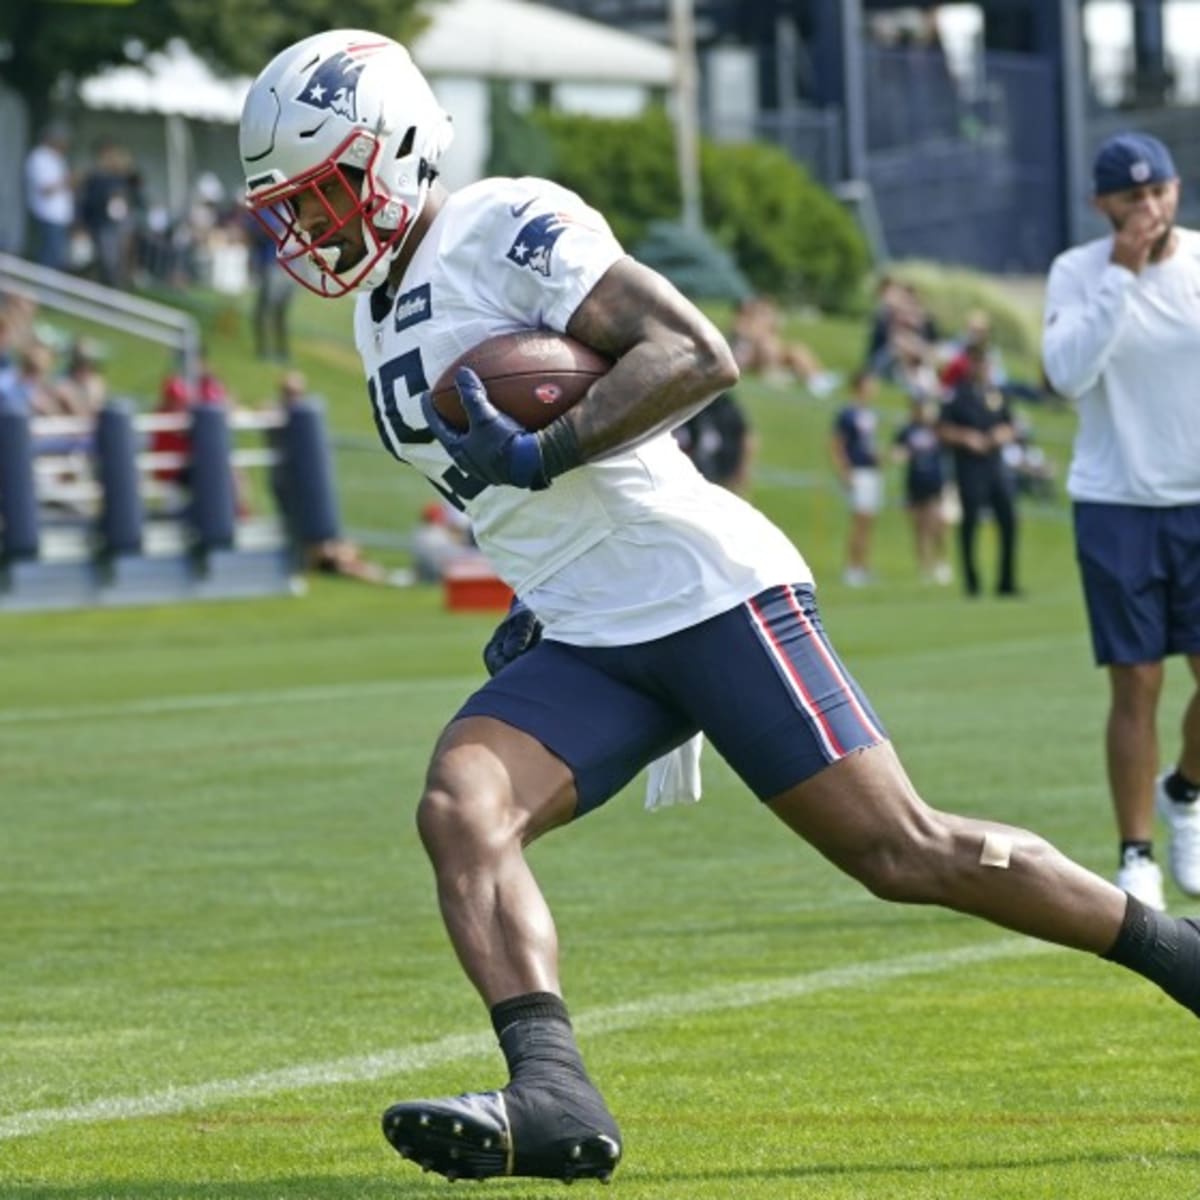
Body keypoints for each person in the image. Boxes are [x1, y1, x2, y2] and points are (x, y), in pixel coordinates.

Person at [240, 31, 1200, 1187]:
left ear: (394, 148)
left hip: (702, 588)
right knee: (461, 805)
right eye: (296, 206)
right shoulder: (372, 313)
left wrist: (543, 449)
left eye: (330, 191)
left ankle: (1181, 958)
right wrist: (543, 590)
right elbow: (513, 503)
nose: (316, 228)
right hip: (586, 628)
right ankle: (551, 1093)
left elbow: (692, 353)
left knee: (904, 852)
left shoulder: (500, 222)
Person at [1042, 130, 1200, 912]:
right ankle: (1135, 852)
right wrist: (1122, 277)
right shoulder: (1079, 273)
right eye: (1132, 197)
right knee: (1136, 682)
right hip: (1117, 502)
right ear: (1103, 204)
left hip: (1198, 497)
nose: (1150, 207)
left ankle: (1188, 790)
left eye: (1160, 191)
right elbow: (1068, 374)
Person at [937, 342, 1020, 598]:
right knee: (970, 522)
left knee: (1008, 519)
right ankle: (972, 583)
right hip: (969, 466)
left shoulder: (997, 395)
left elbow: (1011, 425)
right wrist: (966, 437)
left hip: (996, 465)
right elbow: (942, 428)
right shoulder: (957, 395)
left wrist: (1000, 435)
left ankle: (1006, 582)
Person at [830, 371, 883, 586]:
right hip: (857, 471)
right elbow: (836, 444)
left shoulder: (869, 413)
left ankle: (863, 566)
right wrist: (844, 470)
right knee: (859, 521)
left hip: (872, 471)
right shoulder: (847, 413)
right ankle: (852, 568)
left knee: (868, 521)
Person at [892, 394, 951, 585]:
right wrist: (900, 455)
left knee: (938, 524)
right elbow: (898, 451)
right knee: (920, 527)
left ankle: (941, 562)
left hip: (934, 482)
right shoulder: (907, 430)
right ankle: (925, 567)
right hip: (915, 483)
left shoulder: (937, 429)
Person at [673, 388, 755, 494]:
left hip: (720, 465)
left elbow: (746, 434)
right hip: (697, 465)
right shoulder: (692, 404)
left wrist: (743, 467)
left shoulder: (724, 403)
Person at [23, 123, 74, 272]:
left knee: (57, 258)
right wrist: (67, 180)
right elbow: (45, 189)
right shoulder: (39, 157)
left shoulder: (58, 158)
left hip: (59, 217)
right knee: (48, 257)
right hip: (47, 215)